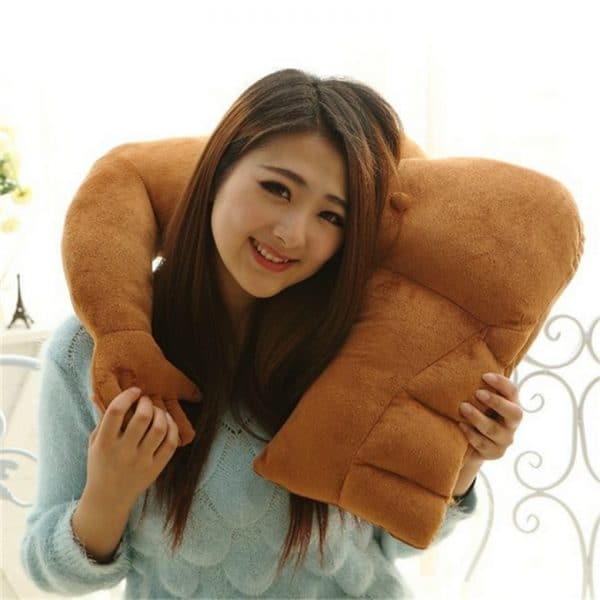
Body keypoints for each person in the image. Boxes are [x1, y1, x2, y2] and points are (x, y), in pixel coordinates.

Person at [20, 68, 523, 598]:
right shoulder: (91, 350)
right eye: (277, 189)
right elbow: (51, 573)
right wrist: (108, 493)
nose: (292, 233)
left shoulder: (364, 340)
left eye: (332, 216)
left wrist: (465, 462)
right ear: (217, 170)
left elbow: (395, 544)